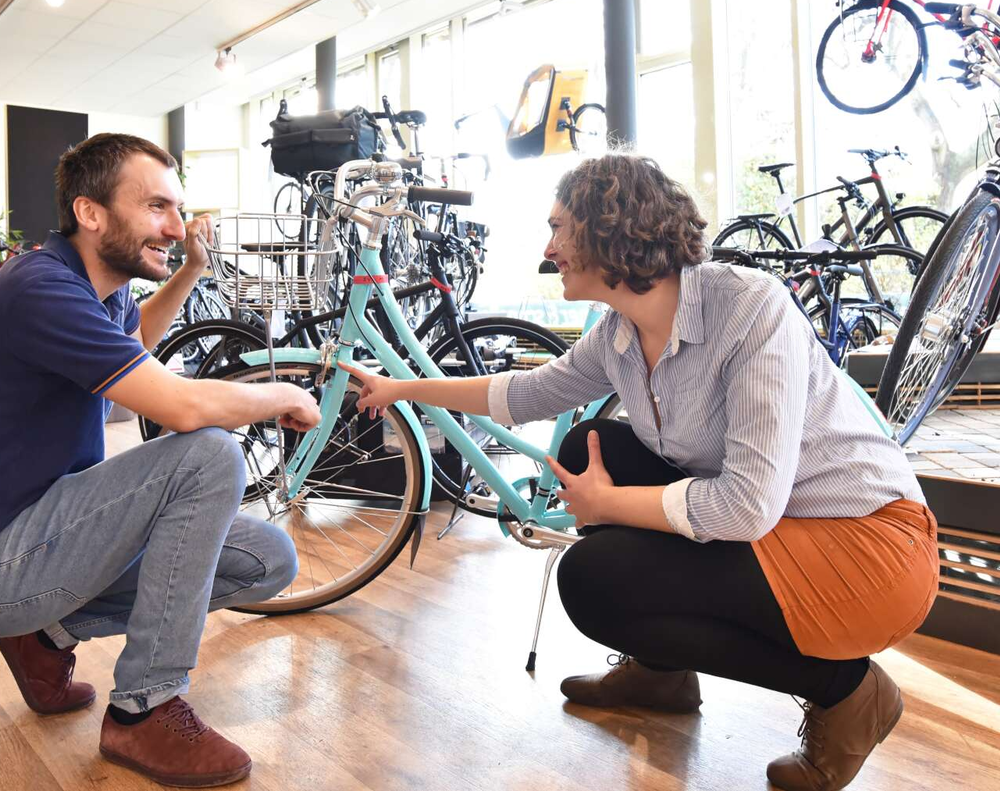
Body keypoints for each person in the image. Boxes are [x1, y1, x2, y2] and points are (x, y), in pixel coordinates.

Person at [341, 153, 938, 791]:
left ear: (609, 227)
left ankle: (849, 691)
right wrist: (403, 388)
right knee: (589, 444)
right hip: (779, 524)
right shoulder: (621, 331)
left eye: (558, 227)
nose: (549, 248)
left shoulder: (748, 309)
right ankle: (663, 674)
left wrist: (606, 506)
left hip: (867, 546)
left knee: (594, 583)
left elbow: (745, 508)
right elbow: (526, 393)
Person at [0, 133, 321, 788]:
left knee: (267, 560)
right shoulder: (38, 286)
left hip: (53, 530)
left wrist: (191, 269)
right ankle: (142, 708)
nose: (176, 226)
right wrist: (283, 389)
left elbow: (132, 339)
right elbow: (179, 407)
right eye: (156, 208)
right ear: (91, 213)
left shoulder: (99, 282)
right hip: (12, 550)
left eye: (177, 209)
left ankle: (45, 635)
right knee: (205, 454)